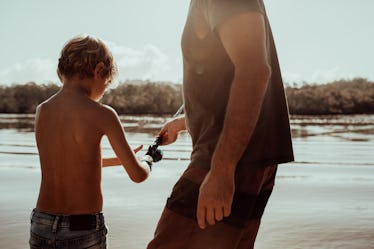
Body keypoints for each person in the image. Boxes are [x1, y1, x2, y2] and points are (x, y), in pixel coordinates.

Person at [147, 0, 294, 248]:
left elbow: (254, 71)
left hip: (228, 161)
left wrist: (222, 169)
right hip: (247, 161)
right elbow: (221, 78)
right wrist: (184, 122)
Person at [29, 35, 154, 249]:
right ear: (99, 70)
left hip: (41, 223)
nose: (103, 91)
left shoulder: (44, 110)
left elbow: (70, 161)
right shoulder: (103, 114)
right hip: (82, 228)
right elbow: (138, 175)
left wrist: (120, 160)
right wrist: (149, 160)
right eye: (106, 84)